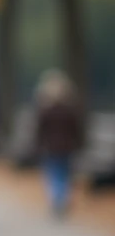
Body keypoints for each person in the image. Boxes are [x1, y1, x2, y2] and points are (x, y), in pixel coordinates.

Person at [33, 69, 85, 219]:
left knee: (53, 173)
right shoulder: (70, 110)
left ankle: (57, 198)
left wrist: (38, 145)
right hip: (67, 147)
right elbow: (77, 129)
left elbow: (39, 131)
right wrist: (79, 144)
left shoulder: (45, 110)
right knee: (65, 174)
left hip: (50, 147)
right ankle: (62, 198)